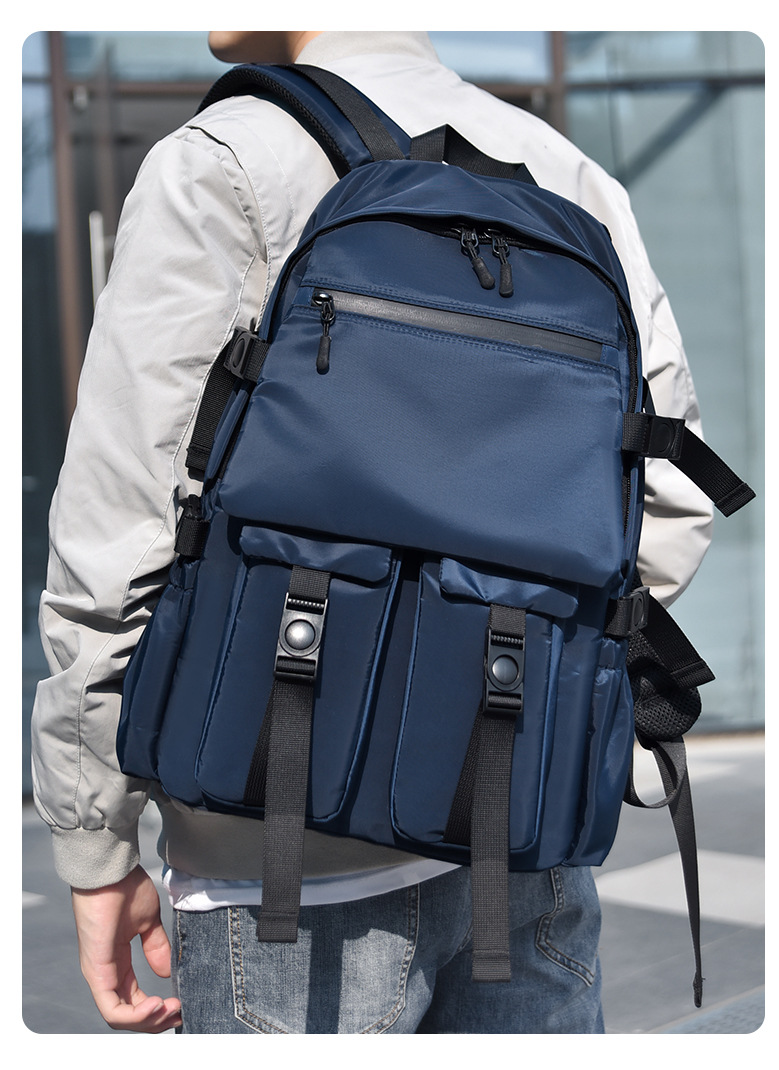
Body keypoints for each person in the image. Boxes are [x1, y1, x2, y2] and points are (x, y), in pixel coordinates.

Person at [31, 31, 714, 1034]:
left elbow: (121, 524)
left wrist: (94, 834)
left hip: (276, 863)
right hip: (520, 839)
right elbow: (672, 494)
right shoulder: (566, 172)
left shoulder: (224, 159)